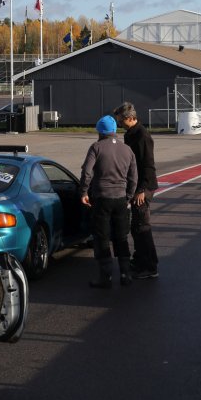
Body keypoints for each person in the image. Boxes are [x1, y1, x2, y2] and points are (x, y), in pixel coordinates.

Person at [80, 115, 138, 288]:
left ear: (100, 131)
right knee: (121, 236)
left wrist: (84, 191)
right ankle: (125, 274)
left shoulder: (96, 147)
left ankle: (105, 277)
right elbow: (133, 177)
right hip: (120, 199)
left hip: (102, 198)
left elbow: (87, 172)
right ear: (114, 131)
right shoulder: (127, 150)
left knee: (102, 237)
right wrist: (128, 195)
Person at [113, 102, 159, 279]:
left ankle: (149, 266)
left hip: (143, 187)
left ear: (131, 118)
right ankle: (141, 259)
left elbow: (148, 166)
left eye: (122, 120)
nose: (120, 124)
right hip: (136, 186)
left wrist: (142, 190)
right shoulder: (131, 134)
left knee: (141, 226)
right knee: (136, 226)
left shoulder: (142, 136)